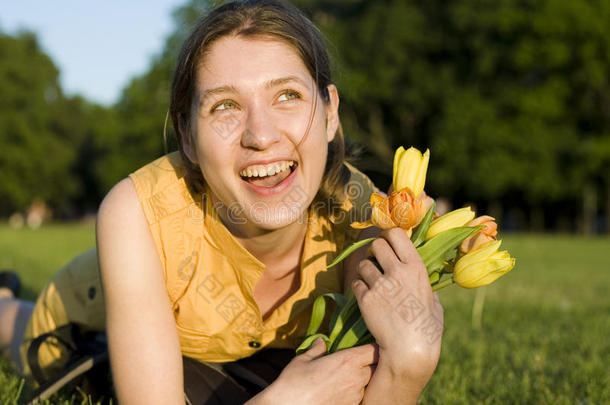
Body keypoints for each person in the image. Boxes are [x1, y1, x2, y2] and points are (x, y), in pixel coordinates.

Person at [0, 1, 443, 403]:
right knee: (15, 326)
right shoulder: (135, 212)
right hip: (85, 315)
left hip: (248, 358)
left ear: (329, 113)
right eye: (225, 106)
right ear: (188, 135)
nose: (261, 135)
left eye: (287, 95)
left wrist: (410, 367)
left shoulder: (367, 216)